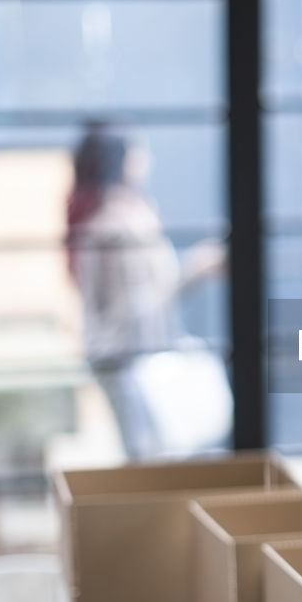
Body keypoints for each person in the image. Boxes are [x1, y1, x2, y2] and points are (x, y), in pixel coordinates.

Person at [65, 123, 227, 460]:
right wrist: (194, 270)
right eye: (138, 152)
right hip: (126, 360)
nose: (146, 160)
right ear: (119, 161)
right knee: (149, 459)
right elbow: (135, 308)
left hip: (136, 356)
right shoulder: (112, 226)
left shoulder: (129, 214)